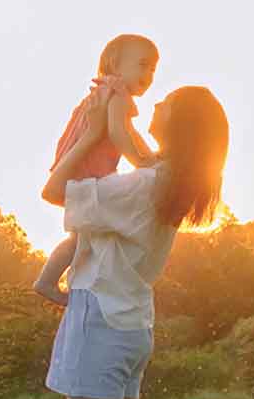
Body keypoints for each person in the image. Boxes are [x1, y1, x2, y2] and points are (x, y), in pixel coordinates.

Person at [36, 84, 229, 399]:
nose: (155, 106)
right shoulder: (164, 181)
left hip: (101, 322)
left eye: (166, 104)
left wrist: (91, 134)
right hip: (129, 323)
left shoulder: (145, 185)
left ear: (179, 125)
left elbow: (54, 190)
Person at [31, 35, 161, 301]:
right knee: (80, 238)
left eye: (153, 69)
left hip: (78, 164)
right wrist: (141, 162)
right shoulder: (116, 95)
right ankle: (46, 282)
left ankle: (60, 281)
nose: (148, 74)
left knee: (81, 236)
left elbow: (130, 132)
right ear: (115, 64)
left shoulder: (106, 92)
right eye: (143, 64)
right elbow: (118, 133)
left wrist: (149, 156)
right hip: (88, 168)